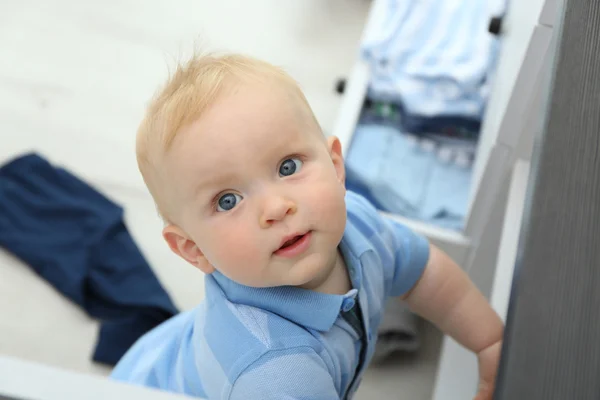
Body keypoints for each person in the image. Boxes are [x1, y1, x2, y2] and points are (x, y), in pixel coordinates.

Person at [111, 52, 504, 400]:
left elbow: (423, 273)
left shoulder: (358, 222)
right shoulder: (274, 372)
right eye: (227, 200)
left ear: (335, 166)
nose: (276, 208)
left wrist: (489, 340)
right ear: (193, 249)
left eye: (288, 167)